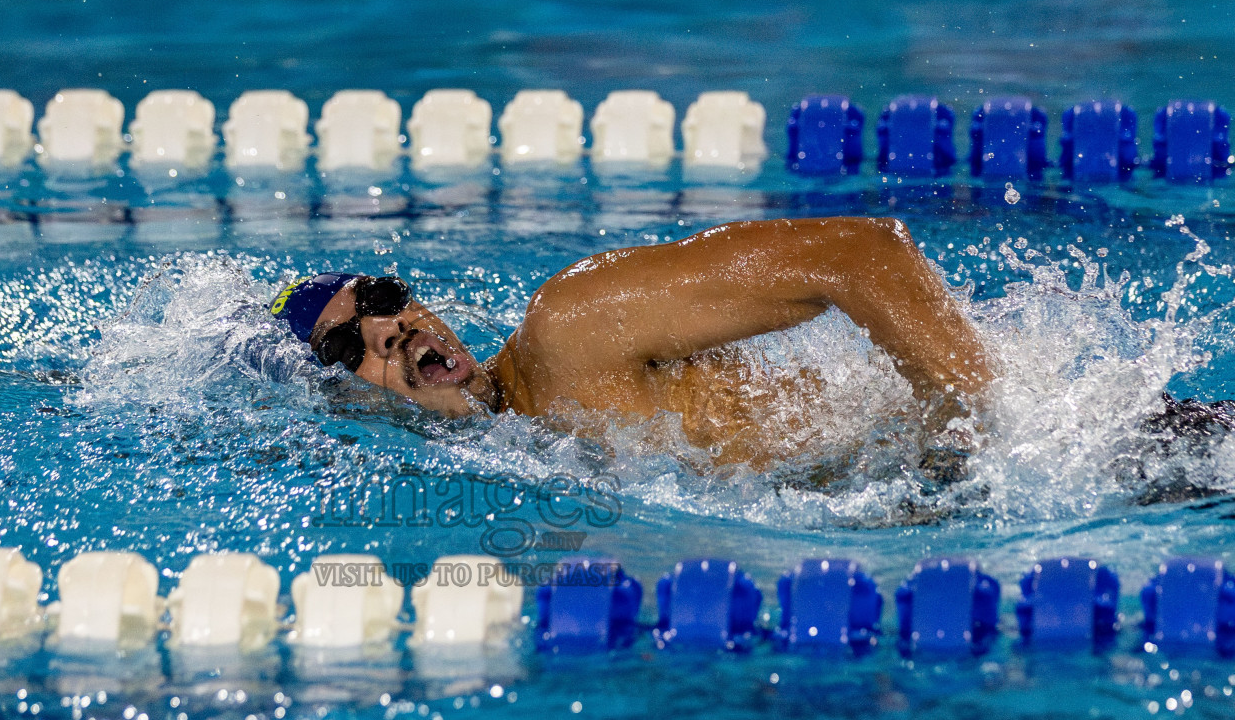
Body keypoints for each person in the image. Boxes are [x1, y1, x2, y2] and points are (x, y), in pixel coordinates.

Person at [271, 216, 993, 474]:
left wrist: (975, 433)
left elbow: (860, 252)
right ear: (343, 401)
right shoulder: (525, 451)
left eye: (382, 298)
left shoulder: (570, 327)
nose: (388, 327)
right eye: (346, 347)